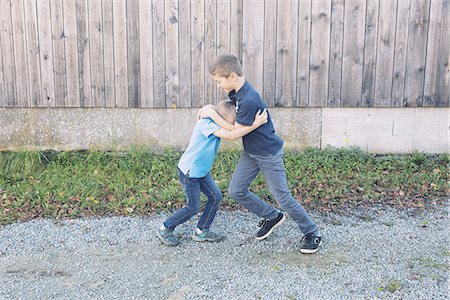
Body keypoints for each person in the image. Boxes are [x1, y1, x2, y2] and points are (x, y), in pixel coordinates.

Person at [198, 53, 322, 254]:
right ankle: (272, 216)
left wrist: (211, 114)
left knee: (283, 197)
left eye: (219, 81)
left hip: (268, 154)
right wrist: (215, 111)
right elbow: (235, 125)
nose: (218, 85)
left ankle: (311, 232)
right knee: (236, 190)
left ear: (232, 77)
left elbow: (234, 133)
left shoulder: (249, 100)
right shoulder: (236, 94)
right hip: (252, 153)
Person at [157, 99, 268, 246]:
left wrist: (211, 112)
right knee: (193, 207)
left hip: (201, 171)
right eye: (232, 120)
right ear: (222, 118)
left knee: (215, 196)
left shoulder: (212, 116)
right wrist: (256, 124)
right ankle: (165, 228)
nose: (233, 124)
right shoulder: (206, 124)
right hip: (190, 171)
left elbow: (222, 120)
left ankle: (201, 231)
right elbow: (232, 134)